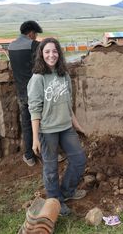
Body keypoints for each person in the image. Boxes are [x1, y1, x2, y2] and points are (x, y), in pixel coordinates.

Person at [28, 37, 87, 216]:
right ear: (41, 54)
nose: (51, 55)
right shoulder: (38, 78)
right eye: (47, 52)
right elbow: (35, 109)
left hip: (66, 127)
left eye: (54, 51)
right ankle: (56, 201)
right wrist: (35, 138)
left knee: (79, 159)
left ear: (59, 54)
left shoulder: (64, 75)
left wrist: (77, 126)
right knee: (51, 168)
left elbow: (68, 105)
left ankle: (67, 191)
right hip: (47, 131)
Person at [9, 20, 42, 167]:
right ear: (31, 33)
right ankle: (49, 152)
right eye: (34, 34)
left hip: (22, 93)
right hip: (36, 92)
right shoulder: (34, 45)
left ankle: (29, 156)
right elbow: (42, 66)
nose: (35, 37)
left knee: (27, 125)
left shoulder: (11, 46)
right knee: (44, 123)